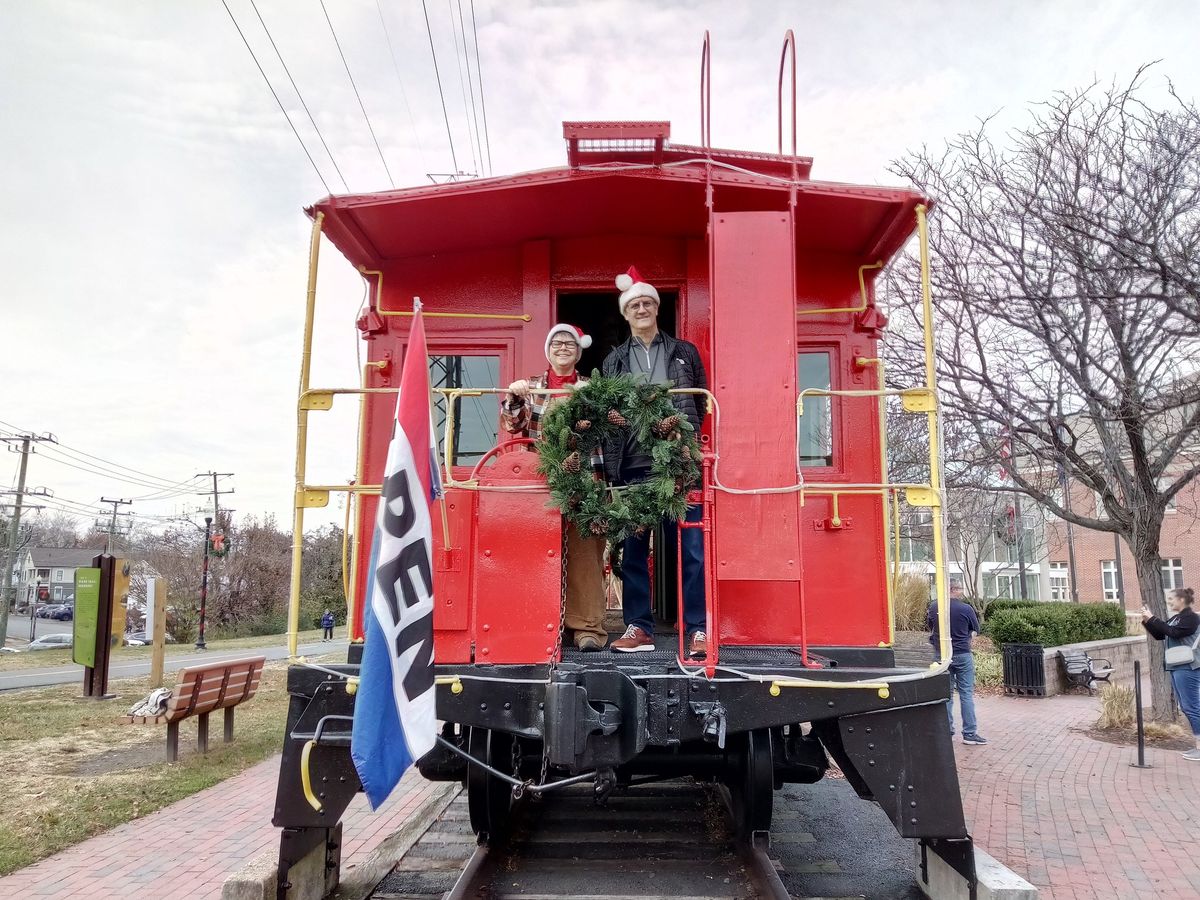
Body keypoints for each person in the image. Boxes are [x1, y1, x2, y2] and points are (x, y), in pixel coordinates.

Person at [602, 265, 708, 659]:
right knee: (633, 549)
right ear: (626, 313)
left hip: (679, 465)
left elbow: (699, 403)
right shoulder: (614, 360)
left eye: (648, 303)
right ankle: (639, 627)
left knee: (691, 547)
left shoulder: (684, 352)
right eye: (635, 305)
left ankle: (697, 630)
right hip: (632, 465)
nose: (642, 308)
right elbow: (607, 409)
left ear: (657, 309)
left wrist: (684, 442)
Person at [501, 324, 608, 651]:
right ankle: (539, 621)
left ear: (578, 352)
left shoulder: (591, 386)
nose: (563, 347)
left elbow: (604, 426)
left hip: (585, 477)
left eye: (570, 344)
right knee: (538, 550)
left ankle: (588, 627)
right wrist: (513, 397)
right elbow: (513, 424)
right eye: (557, 343)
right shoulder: (531, 385)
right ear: (548, 350)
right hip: (542, 480)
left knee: (586, 551)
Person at [1141, 587, 1200, 761]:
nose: (1169, 602)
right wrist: (1147, 621)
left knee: (1192, 707)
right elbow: (1161, 634)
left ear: (1182, 600)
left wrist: (1153, 618)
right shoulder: (1177, 618)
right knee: (1187, 707)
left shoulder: (1192, 617)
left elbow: (1174, 632)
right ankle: (1197, 745)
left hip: (1188, 666)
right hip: (1177, 666)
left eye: (1172, 599)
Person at [927, 583, 988, 745]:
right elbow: (976, 629)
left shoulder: (934, 607)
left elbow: (931, 628)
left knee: (945, 694)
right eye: (960, 589)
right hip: (962, 654)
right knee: (966, 693)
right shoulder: (966, 609)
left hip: (942, 655)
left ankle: (947, 731)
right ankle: (969, 734)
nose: (962, 592)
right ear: (953, 589)